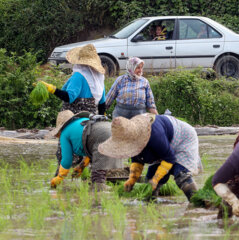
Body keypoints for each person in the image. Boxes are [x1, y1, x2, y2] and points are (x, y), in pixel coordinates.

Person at [98, 113, 203, 201]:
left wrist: (156, 179)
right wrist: (131, 180)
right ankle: (152, 205)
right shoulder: (130, 136)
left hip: (182, 138)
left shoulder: (154, 134)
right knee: (149, 183)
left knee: (181, 175)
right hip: (162, 145)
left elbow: (169, 158)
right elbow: (137, 161)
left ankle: (197, 202)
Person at [41, 44, 107, 175]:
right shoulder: (99, 78)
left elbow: (69, 97)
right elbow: (102, 104)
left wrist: (51, 89)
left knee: (66, 151)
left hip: (73, 118)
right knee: (87, 148)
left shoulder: (79, 76)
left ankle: (56, 184)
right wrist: (102, 120)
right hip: (91, 119)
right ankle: (85, 183)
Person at [49, 110, 122, 190]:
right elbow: (91, 150)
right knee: (107, 165)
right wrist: (81, 167)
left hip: (101, 135)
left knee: (97, 182)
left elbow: (67, 160)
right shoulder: (81, 121)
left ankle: (99, 186)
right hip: (114, 131)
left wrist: (59, 177)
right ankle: (115, 183)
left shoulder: (64, 133)